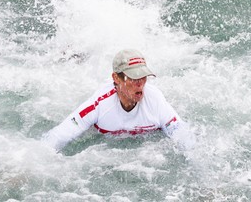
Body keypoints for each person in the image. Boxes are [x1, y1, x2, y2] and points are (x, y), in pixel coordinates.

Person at [42, 49, 193, 152]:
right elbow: (58, 136)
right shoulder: (99, 104)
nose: (140, 84)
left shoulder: (156, 101)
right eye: (134, 78)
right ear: (116, 78)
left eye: (143, 77)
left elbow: (186, 140)